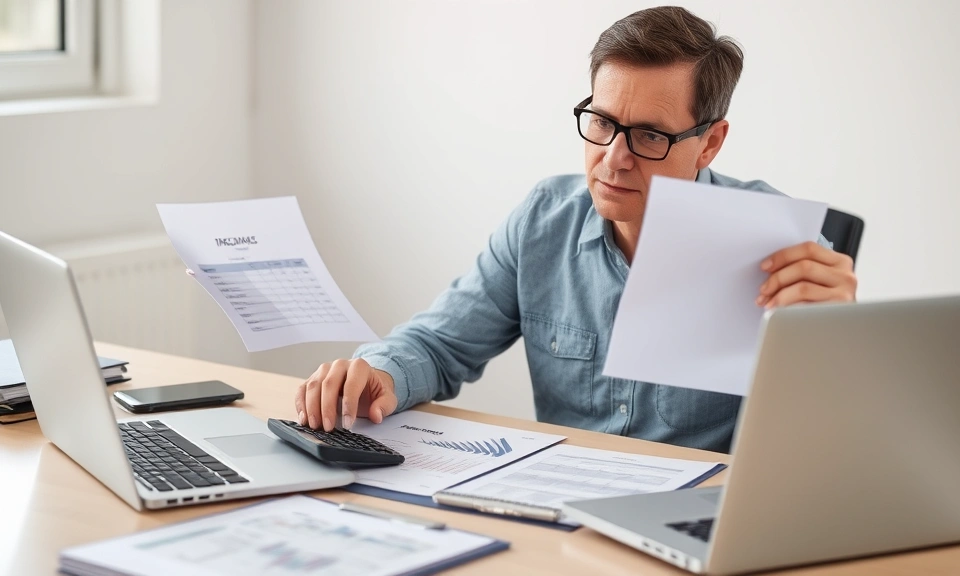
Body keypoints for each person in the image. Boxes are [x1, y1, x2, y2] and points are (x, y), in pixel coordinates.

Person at [294, 6, 857, 453]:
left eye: (650, 136)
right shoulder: (544, 218)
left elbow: (827, 444)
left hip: (701, 521)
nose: (613, 159)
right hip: (566, 510)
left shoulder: (780, 244)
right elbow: (438, 345)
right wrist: (380, 373)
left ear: (709, 143)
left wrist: (834, 347)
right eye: (603, 122)